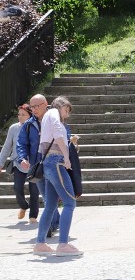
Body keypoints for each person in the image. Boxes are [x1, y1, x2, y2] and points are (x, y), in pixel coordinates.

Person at [33, 96, 81, 256]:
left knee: (51, 206)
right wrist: (66, 157)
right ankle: (63, 244)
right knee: (69, 203)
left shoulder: (47, 115)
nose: (66, 115)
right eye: (66, 110)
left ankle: (40, 243)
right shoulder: (53, 112)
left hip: (48, 163)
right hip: (56, 162)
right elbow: (57, 134)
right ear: (60, 106)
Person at [16, 94, 60, 233]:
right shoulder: (28, 125)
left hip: (54, 164)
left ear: (45, 103)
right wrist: (23, 158)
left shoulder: (55, 120)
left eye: (37, 106)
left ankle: (51, 225)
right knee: (47, 196)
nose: (34, 109)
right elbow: (21, 144)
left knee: (50, 196)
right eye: (32, 106)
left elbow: (64, 136)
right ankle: (53, 223)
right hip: (37, 167)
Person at [1, 104, 40, 222]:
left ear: (30, 115)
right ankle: (23, 206)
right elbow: (7, 147)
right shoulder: (14, 128)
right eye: (19, 114)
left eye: (23, 115)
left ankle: (33, 215)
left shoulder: (36, 127)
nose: (20, 117)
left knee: (34, 190)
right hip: (18, 163)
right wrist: (0, 162)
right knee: (17, 188)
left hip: (34, 164)